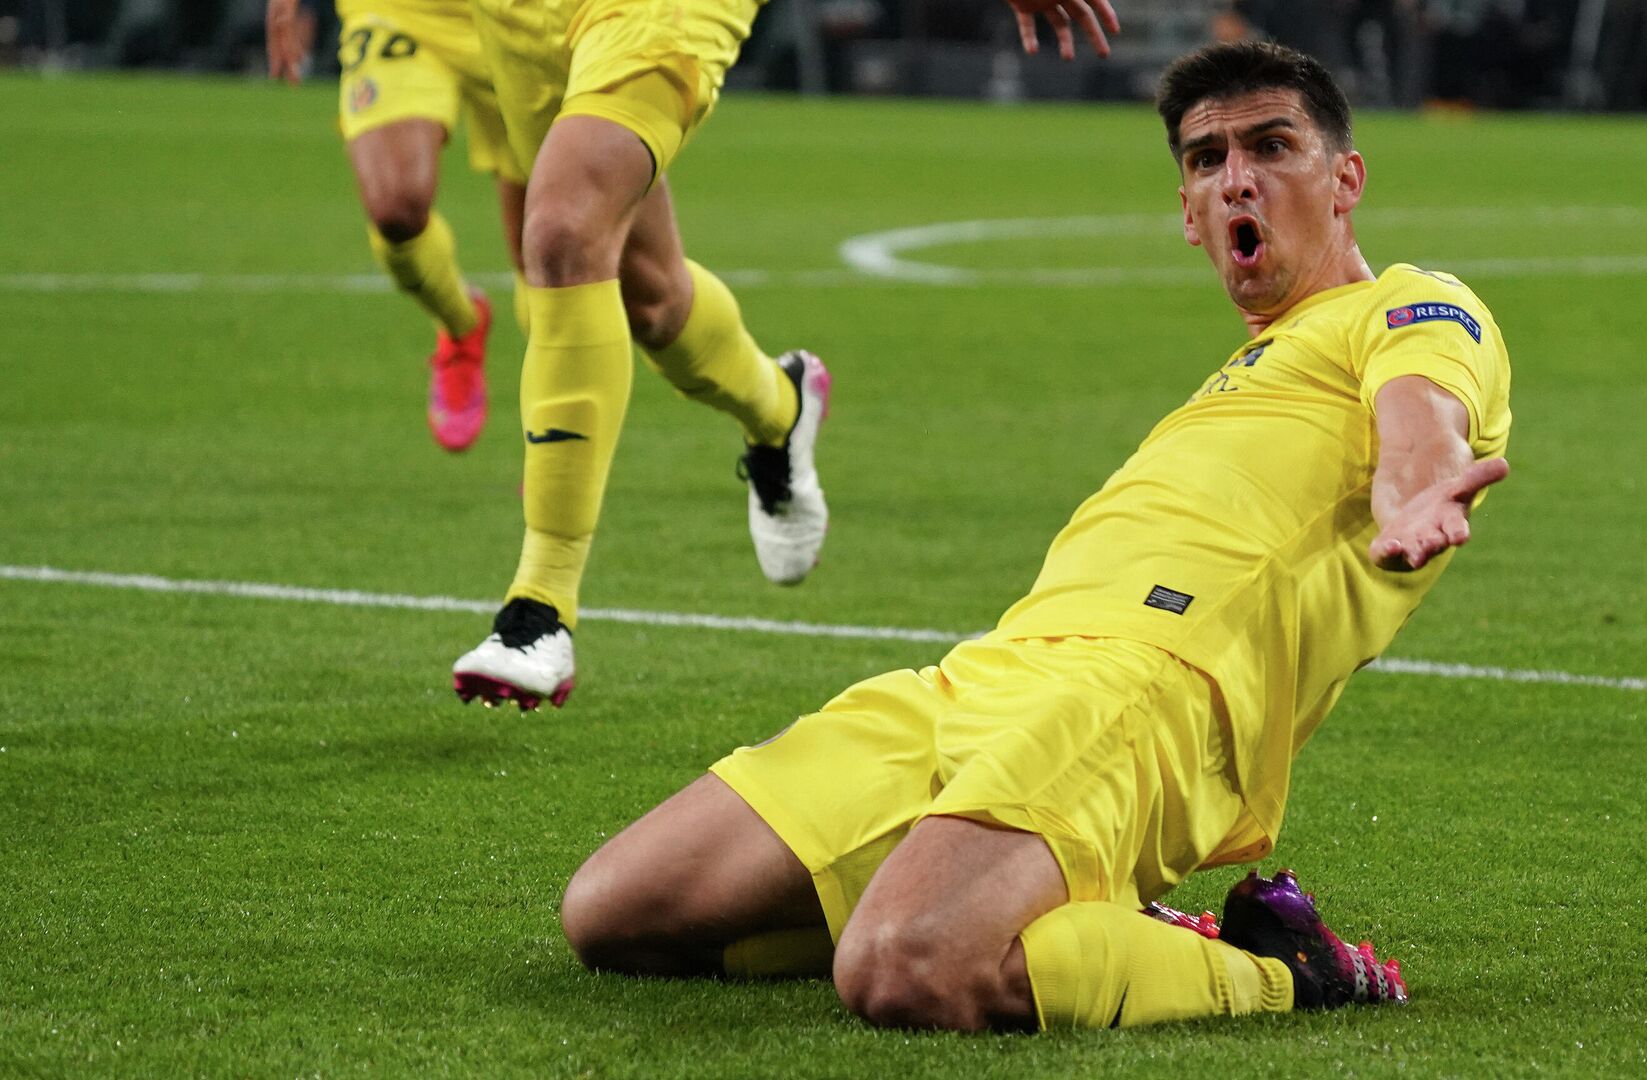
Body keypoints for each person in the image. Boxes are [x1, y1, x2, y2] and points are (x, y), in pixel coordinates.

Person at [560, 38, 1512, 1031]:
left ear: (1345, 177)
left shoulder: (1408, 306)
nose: (1236, 179)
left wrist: (1415, 495)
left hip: (1147, 691)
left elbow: (1421, 417)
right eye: (1205, 158)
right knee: (617, 914)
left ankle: (1284, 969)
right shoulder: (1255, 367)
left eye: (1272, 147)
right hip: (989, 674)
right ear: (1187, 215)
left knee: (904, 970)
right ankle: (1027, 896)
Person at [446, 0, 1125, 711]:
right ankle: (781, 403)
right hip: (517, 18)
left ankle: (538, 608)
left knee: (561, 231)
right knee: (648, 299)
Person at [268, 0, 528, 453]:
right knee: (395, 206)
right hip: (400, 13)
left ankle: (557, 454)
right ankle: (461, 323)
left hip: (528, 21)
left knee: (552, 252)